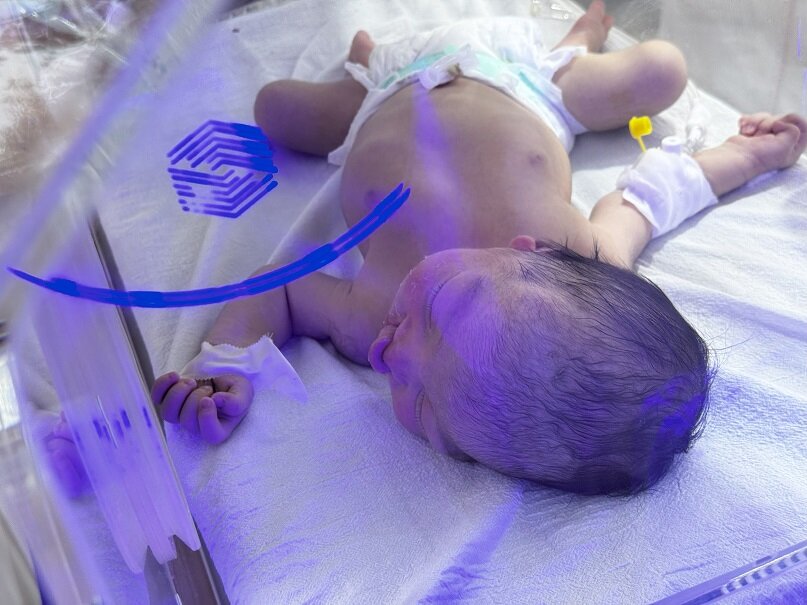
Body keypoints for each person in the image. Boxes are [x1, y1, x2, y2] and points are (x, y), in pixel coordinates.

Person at [151, 1, 807, 495]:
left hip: (386, 96)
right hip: (527, 88)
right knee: (663, 68)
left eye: (422, 407)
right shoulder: (589, 253)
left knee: (276, 109)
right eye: (446, 306)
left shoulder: (369, 316)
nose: (392, 353)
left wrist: (228, 360)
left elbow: (283, 286)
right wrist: (748, 155)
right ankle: (577, 40)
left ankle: (368, 57)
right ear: (535, 251)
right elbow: (651, 196)